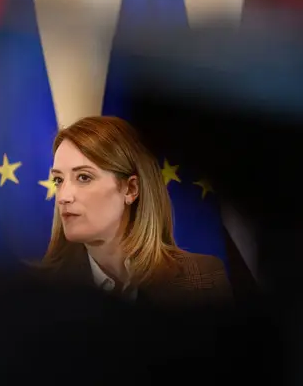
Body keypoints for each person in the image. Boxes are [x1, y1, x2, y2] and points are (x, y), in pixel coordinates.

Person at [32, 116, 233, 309]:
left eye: (84, 177)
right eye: (58, 180)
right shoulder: (37, 291)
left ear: (130, 189)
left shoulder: (200, 277)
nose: (63, 197)